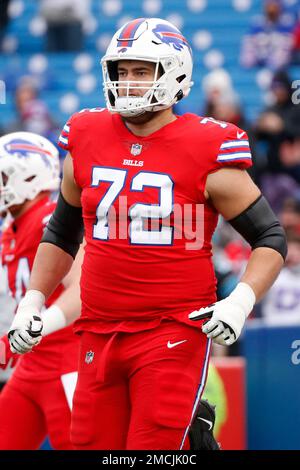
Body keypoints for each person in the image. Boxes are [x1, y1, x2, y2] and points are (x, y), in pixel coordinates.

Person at [8, 18, 287, 450]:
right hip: (97, 331)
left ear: (174, 74)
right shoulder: (85, 134)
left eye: (142, 71)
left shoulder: (206, 146)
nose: (128, 82)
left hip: (171, 330)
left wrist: (240, 300)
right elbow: (62, 232)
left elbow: (269, 237)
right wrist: (33, 299)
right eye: (121, 71)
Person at [0, 131, 82, 449]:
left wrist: (38, 326)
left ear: (29, 175)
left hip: (69, 363)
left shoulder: (50, 219)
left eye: (4, 176)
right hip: (30, 367)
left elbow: (82, 287)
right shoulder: (10, 231)